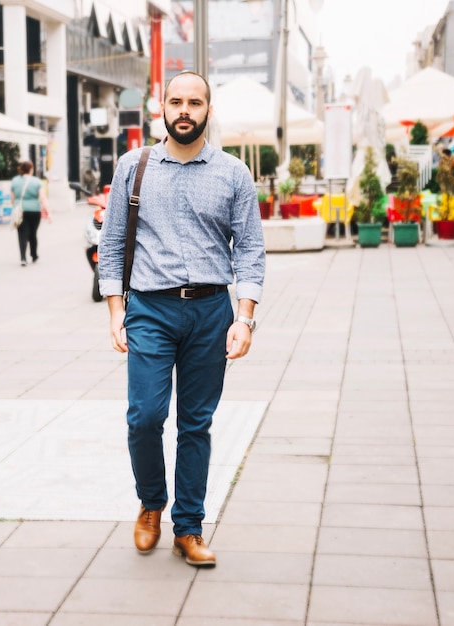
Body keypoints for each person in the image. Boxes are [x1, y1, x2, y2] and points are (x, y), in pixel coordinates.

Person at [98, 71, 266, 568]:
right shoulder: (134, 166)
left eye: (195, 102)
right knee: (145, 416)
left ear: (208, 111)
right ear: (163, 108)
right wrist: (115, 311)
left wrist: (245, 318)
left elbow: (251, 249)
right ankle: (152, 503)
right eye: (176, 101)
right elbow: (111, 243)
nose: (185, 110)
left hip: (212, 310)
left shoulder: (234, 173)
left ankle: (188, 527)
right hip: (149, 307)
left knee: (197, 423)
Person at [11, 160, 50, 266]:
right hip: (34, 211)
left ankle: (23, 258)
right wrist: (48, 212)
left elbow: (12, 199)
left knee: (22, 234)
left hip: (20, 210)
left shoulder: (15, 181)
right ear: (31, 169)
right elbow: (42, 198)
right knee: (33, 233)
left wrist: (15, 207)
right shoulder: (37, 181)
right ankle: (34, 254)